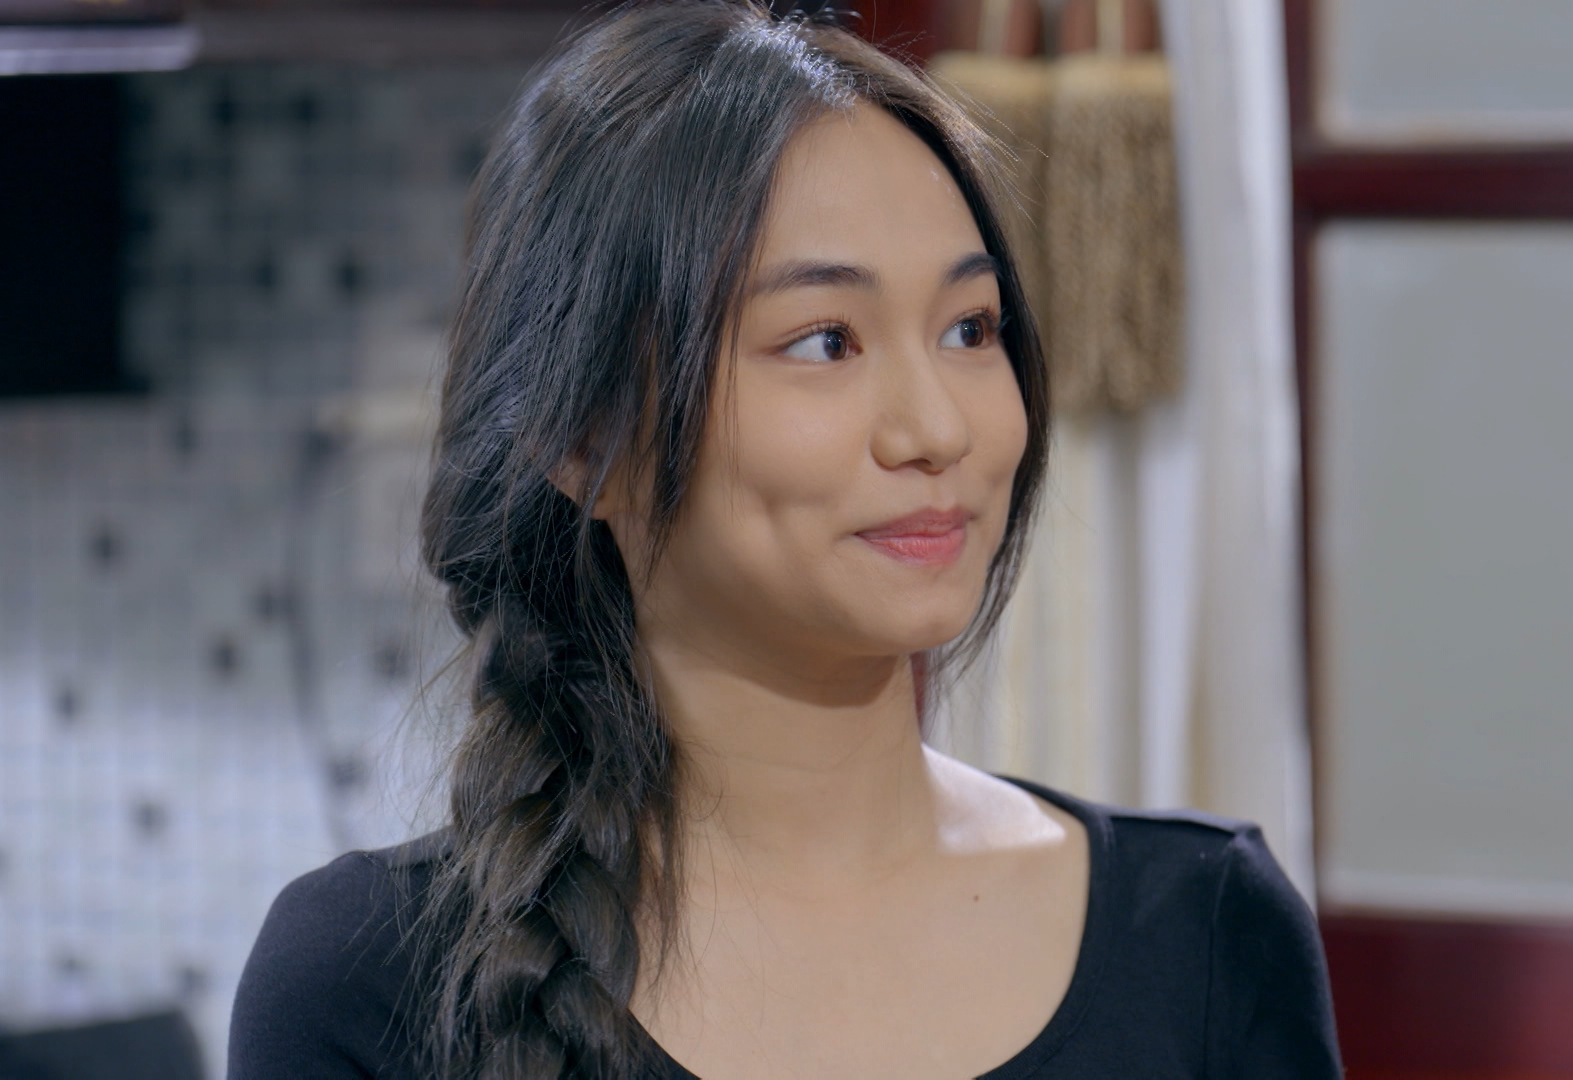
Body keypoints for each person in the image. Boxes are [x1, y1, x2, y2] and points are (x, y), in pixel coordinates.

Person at [228, 2, 1341, 1076]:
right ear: (583, 440)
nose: (938, 430)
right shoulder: (366, 986)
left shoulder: (1204, 932)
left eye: (970, 328)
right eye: (824, 342)